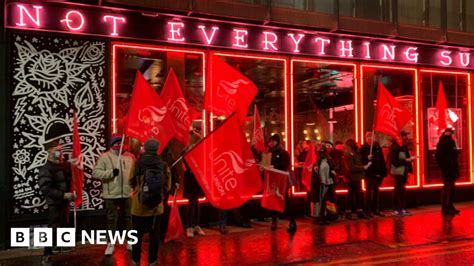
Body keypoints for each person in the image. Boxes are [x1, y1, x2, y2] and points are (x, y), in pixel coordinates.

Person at [129, 139, 171, 266]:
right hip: (156, 208)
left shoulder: (138, 163)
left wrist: (137, 190)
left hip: (138, 207)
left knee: (137, 235)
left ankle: (135, 260)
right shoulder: (163, 165)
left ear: (145, 149)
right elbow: (167, 186)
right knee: (154, 236)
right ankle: (152, 261)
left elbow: (130, 180)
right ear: (157, 149)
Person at [92, 135, 135, 255]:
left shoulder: (130, 157)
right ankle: (110, 243)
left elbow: (134, 172)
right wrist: (111, 173)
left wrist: (134, 187)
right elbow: (95, 172)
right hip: (111, 194)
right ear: (112, 144)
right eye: (116, 143)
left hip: (127, 193)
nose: (119, 145)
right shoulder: (104, 157)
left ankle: (130, 241)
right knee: (112, 219)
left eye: (121, 143)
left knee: (129, 218)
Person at [39, 141, 77, 266]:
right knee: (52, 228)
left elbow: (71, 178)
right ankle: (47, 254)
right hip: (54, 203)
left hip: (64, 202)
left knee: (63, 225)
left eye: (60, 149)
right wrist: (63, 195)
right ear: (49, 151)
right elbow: (45, 189)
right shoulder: (46, 168)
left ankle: (60, 247)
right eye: (56, 149)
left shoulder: (64, 165)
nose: (59, 151)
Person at [267, 134, 295, 233]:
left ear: (275, 142)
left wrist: (273, 166)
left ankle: (292, 221)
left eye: (271, 141)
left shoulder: (283, 153)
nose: (270, 143)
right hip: (273, 180)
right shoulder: (270, 152)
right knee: (274, 200)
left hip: (282, 180)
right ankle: (274, 221)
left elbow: (285, 164)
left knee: (285, 200)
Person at [360, 132, 387, 217]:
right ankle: (368, 210)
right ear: (366, 139)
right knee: (369, 192)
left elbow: (382, 160)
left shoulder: (377, 147)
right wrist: (366, 158)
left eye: (372, 138)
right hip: (369, 173)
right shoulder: (363, 149)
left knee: (376, 191)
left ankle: (376, 209)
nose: (371, 139)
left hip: (378, 173)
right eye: (369, 138)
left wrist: (383, 171)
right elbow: (361, 160)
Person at [389, 131, 417, 216]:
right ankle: (397, 208)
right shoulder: (395, 146)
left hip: (403, 170)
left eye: (406, 136)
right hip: (398, 170)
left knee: (402, 189)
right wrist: (406, 160)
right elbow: (394, 161)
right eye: (404, 136)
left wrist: (409, 162)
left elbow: (406, 157)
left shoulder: (403, 146)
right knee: (398, 189)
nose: (406, 138)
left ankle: (402, 207)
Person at [343, 139, 371, 220]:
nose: (357, 144)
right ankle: (348, 212)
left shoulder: (355, 152)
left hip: (356, 177)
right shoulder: (348, 154)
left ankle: (359, 211)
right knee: (351, 195)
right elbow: (351, 167)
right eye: (355, 143)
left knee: (357, 195)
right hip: (351, 177)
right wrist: (363, 167)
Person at [435, 127, 460, 216]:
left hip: (451, 168)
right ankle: (446, 207)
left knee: (450, 187)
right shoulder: (443, 143)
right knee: (448, 187)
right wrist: (443, 167)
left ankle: (449, 206)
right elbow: (439, 158)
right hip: (447, 169)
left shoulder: (447, 142)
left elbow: (454, 155)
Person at [159, 147, 180, 242]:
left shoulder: (167, 155)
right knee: (162, 208)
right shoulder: (167, 155)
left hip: (163, 186)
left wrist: (176, 180)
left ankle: (161, 232)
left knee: (162, 208)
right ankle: (161, 232)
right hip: (162, 186)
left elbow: (173, 169)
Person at [313, 146, 336, 225]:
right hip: (321, 183)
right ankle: (320, 217)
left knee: (323, 200)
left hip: (326, 182)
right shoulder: (317, 161)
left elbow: (331, 169)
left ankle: (322, 216)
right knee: (321, 200)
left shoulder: (327, 160)